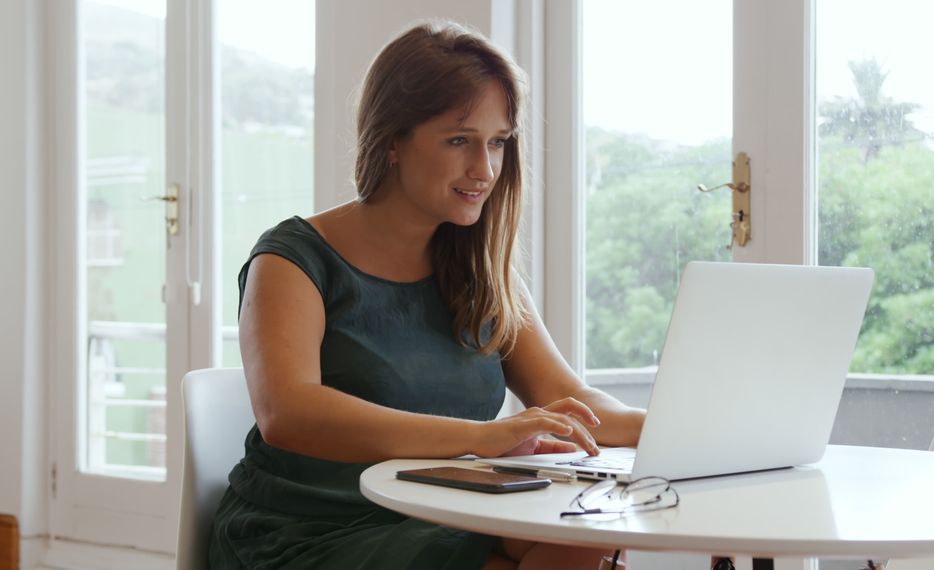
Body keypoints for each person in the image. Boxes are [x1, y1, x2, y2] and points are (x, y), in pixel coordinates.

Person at [208, 20, 646, 570]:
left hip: (442, 514)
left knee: (587, 535)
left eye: (498, 143)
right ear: (393, 140)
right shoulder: (292, 259)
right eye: (459, 140)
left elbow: (568, 401)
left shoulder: (481, 270)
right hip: (308, 530)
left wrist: (684, 430)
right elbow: (288, 412)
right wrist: (483, 438)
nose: (484, 169)